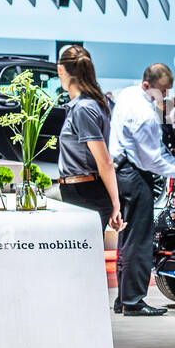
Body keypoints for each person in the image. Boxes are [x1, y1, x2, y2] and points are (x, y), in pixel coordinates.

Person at [109, 63, 175, 317]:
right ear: (148, 85)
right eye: (162, 91)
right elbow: (155, 162)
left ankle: (124, 299)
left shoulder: (127, 94)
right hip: (136, 175)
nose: (165, 97)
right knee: (139, 240)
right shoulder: (145, 115)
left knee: (126, 239)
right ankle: (135, 302)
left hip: (120, 173)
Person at [55, 45, 122, 235]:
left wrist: (115, 205)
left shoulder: (83, 109)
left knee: (80, 261)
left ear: (61, 70)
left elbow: (105, 161)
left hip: (83, 195)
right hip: (80, 192)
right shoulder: (94, 104)